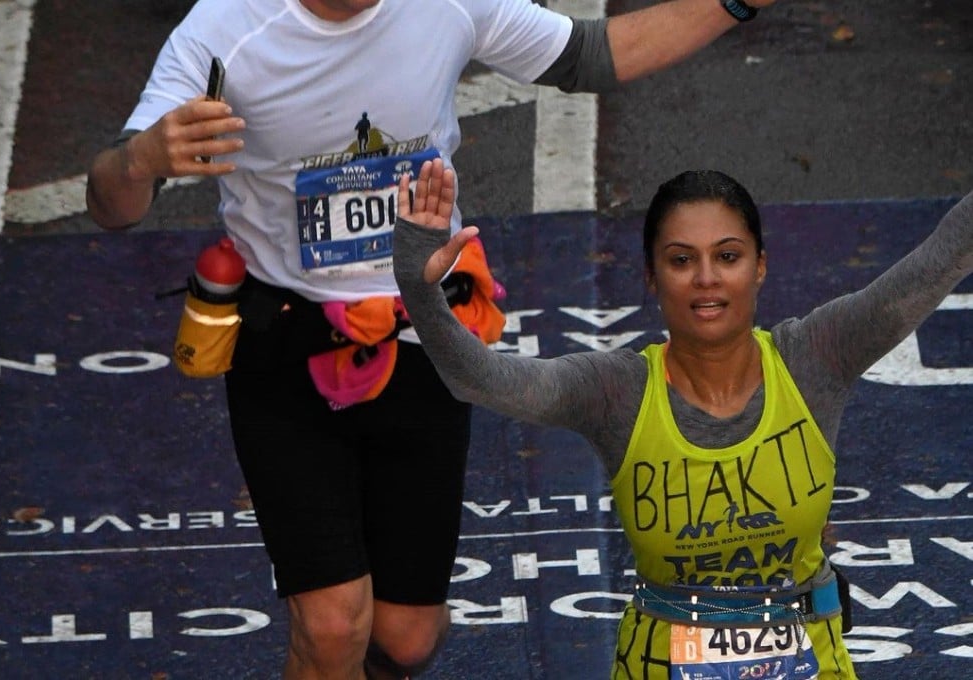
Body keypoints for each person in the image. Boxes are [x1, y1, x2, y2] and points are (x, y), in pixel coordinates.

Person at [84, 0, 780, 677]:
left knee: (407, 639)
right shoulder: (225, 27)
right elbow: (110, 202)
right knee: (332, 627)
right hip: (287, 346)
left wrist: (733, 5)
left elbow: (591, 55)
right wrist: (142, 159)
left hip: (425, 338)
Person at [393, 158, 973, 679]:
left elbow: (940, 261)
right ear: (651, 276)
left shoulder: (816, 356)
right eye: (680, 260)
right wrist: (421, 292)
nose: (706, 279)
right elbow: (479, 379)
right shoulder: (616, 392)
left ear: (760, 266)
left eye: (727, 256)